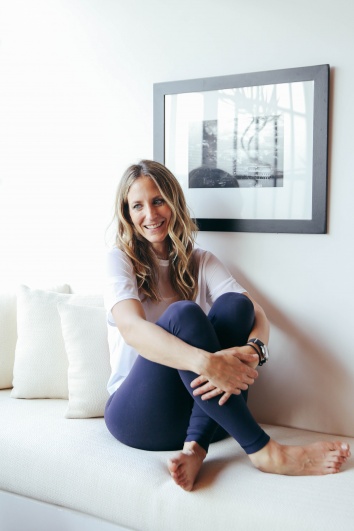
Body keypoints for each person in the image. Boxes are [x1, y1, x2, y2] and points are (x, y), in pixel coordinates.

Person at [104, 160, 350, 491]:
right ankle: (264, 451)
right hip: (138, 415)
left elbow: (256, 313)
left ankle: (195, 448)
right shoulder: (121, 260)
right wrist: (207, 363)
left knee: (236, 305)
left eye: (158, 199)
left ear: (173, 201)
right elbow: (131, 328)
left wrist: (254, 349)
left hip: (205, 415)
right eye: (138, 205)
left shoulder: (200, 260)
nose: (150, 213)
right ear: (127, 214)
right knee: (184, 315)